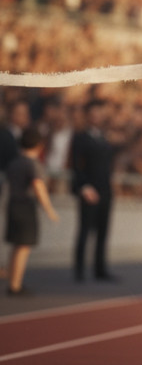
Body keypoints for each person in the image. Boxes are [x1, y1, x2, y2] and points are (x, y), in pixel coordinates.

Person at [6, 130, 60, 296]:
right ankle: (15, 285)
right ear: (39, 145)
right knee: (23, 247)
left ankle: (12, 281)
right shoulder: (32, 164)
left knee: (16, 246)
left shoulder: (14, 162)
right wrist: (49, 209)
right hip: (26, 207)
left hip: (13, 205)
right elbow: (38, 186)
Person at [70, 98, 118, 282]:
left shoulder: (106, 137)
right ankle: (79, 271)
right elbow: (76, 166)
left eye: (100, 113)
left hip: (106, 190)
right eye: (93, 113)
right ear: (88, 116)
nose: (97, 117)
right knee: (84, 231)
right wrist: (84, 187)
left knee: (103, 232)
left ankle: (100, 269)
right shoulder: (80, 137)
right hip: (89, 191)